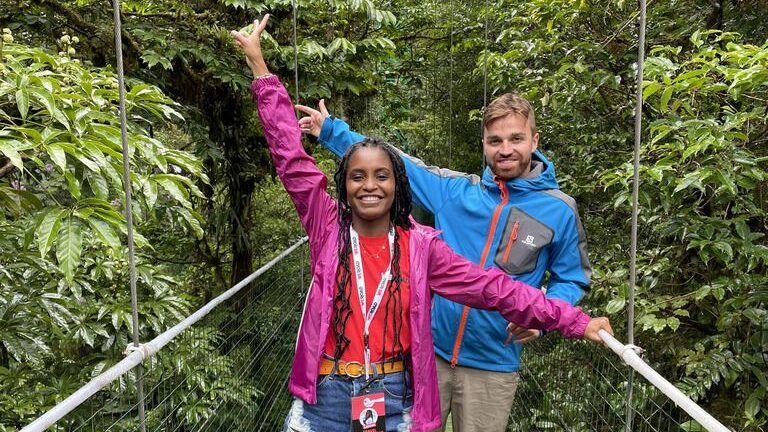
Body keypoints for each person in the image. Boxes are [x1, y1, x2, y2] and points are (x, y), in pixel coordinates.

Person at [231, 15, 612, 432]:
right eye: (358, 177)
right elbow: (291, 159)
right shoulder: (328, 224)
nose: (370, 186)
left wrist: (573, 320)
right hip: (327, 392)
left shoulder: (421, 246)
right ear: (344, 183)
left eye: (382, 177)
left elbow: (493, 289)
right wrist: (261, 71)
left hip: (399, 392)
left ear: (399, 186)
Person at [298, 84, 591, 430]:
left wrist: (542, 321)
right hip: (427, 355)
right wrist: (332, 132)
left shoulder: (559, 209)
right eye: (495, 141)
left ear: (535, 140)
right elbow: (397, 165)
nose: (505, 150)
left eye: (516, 139)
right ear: (483, 143)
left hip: (493, 364)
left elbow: (572, 277)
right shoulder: (456, 191)